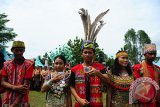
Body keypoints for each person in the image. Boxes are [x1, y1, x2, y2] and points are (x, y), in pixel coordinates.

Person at [1, 41, 34, 107]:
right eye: (16, 50)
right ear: (12, 50)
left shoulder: (29, 64)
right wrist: (15, 87)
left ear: (24, 51)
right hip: (8, 99)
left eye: (21, 50)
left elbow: (25, 87)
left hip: (22, 100)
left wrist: (15, 104)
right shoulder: (6, 64)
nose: (19, 52)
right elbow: (2, 82)